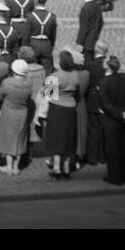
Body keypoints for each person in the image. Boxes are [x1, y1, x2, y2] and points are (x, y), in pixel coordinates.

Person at [42, 51, 81, 179]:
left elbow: (47, 96)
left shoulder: (54, 76)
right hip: (70, 109)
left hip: (56, 109)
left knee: (56, 139)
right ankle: (66, 166)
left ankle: (57, 167)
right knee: (68, 139)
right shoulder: (75, 75)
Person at [98, 56, 125, 186]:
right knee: (124, 147)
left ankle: (115, 176)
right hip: (124, 119)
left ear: (107, 67)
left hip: (111, 120)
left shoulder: (104, 83)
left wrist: (120, 113)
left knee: (113, 150)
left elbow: (106, 104)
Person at [0, 58, 32, 175]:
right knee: (20, 138)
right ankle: (16, 167)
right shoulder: (28, 83)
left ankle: (9, 166)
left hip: (8, 111)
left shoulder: (7, 82)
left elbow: (1, 96)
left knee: (8, 139)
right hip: (22, 112)